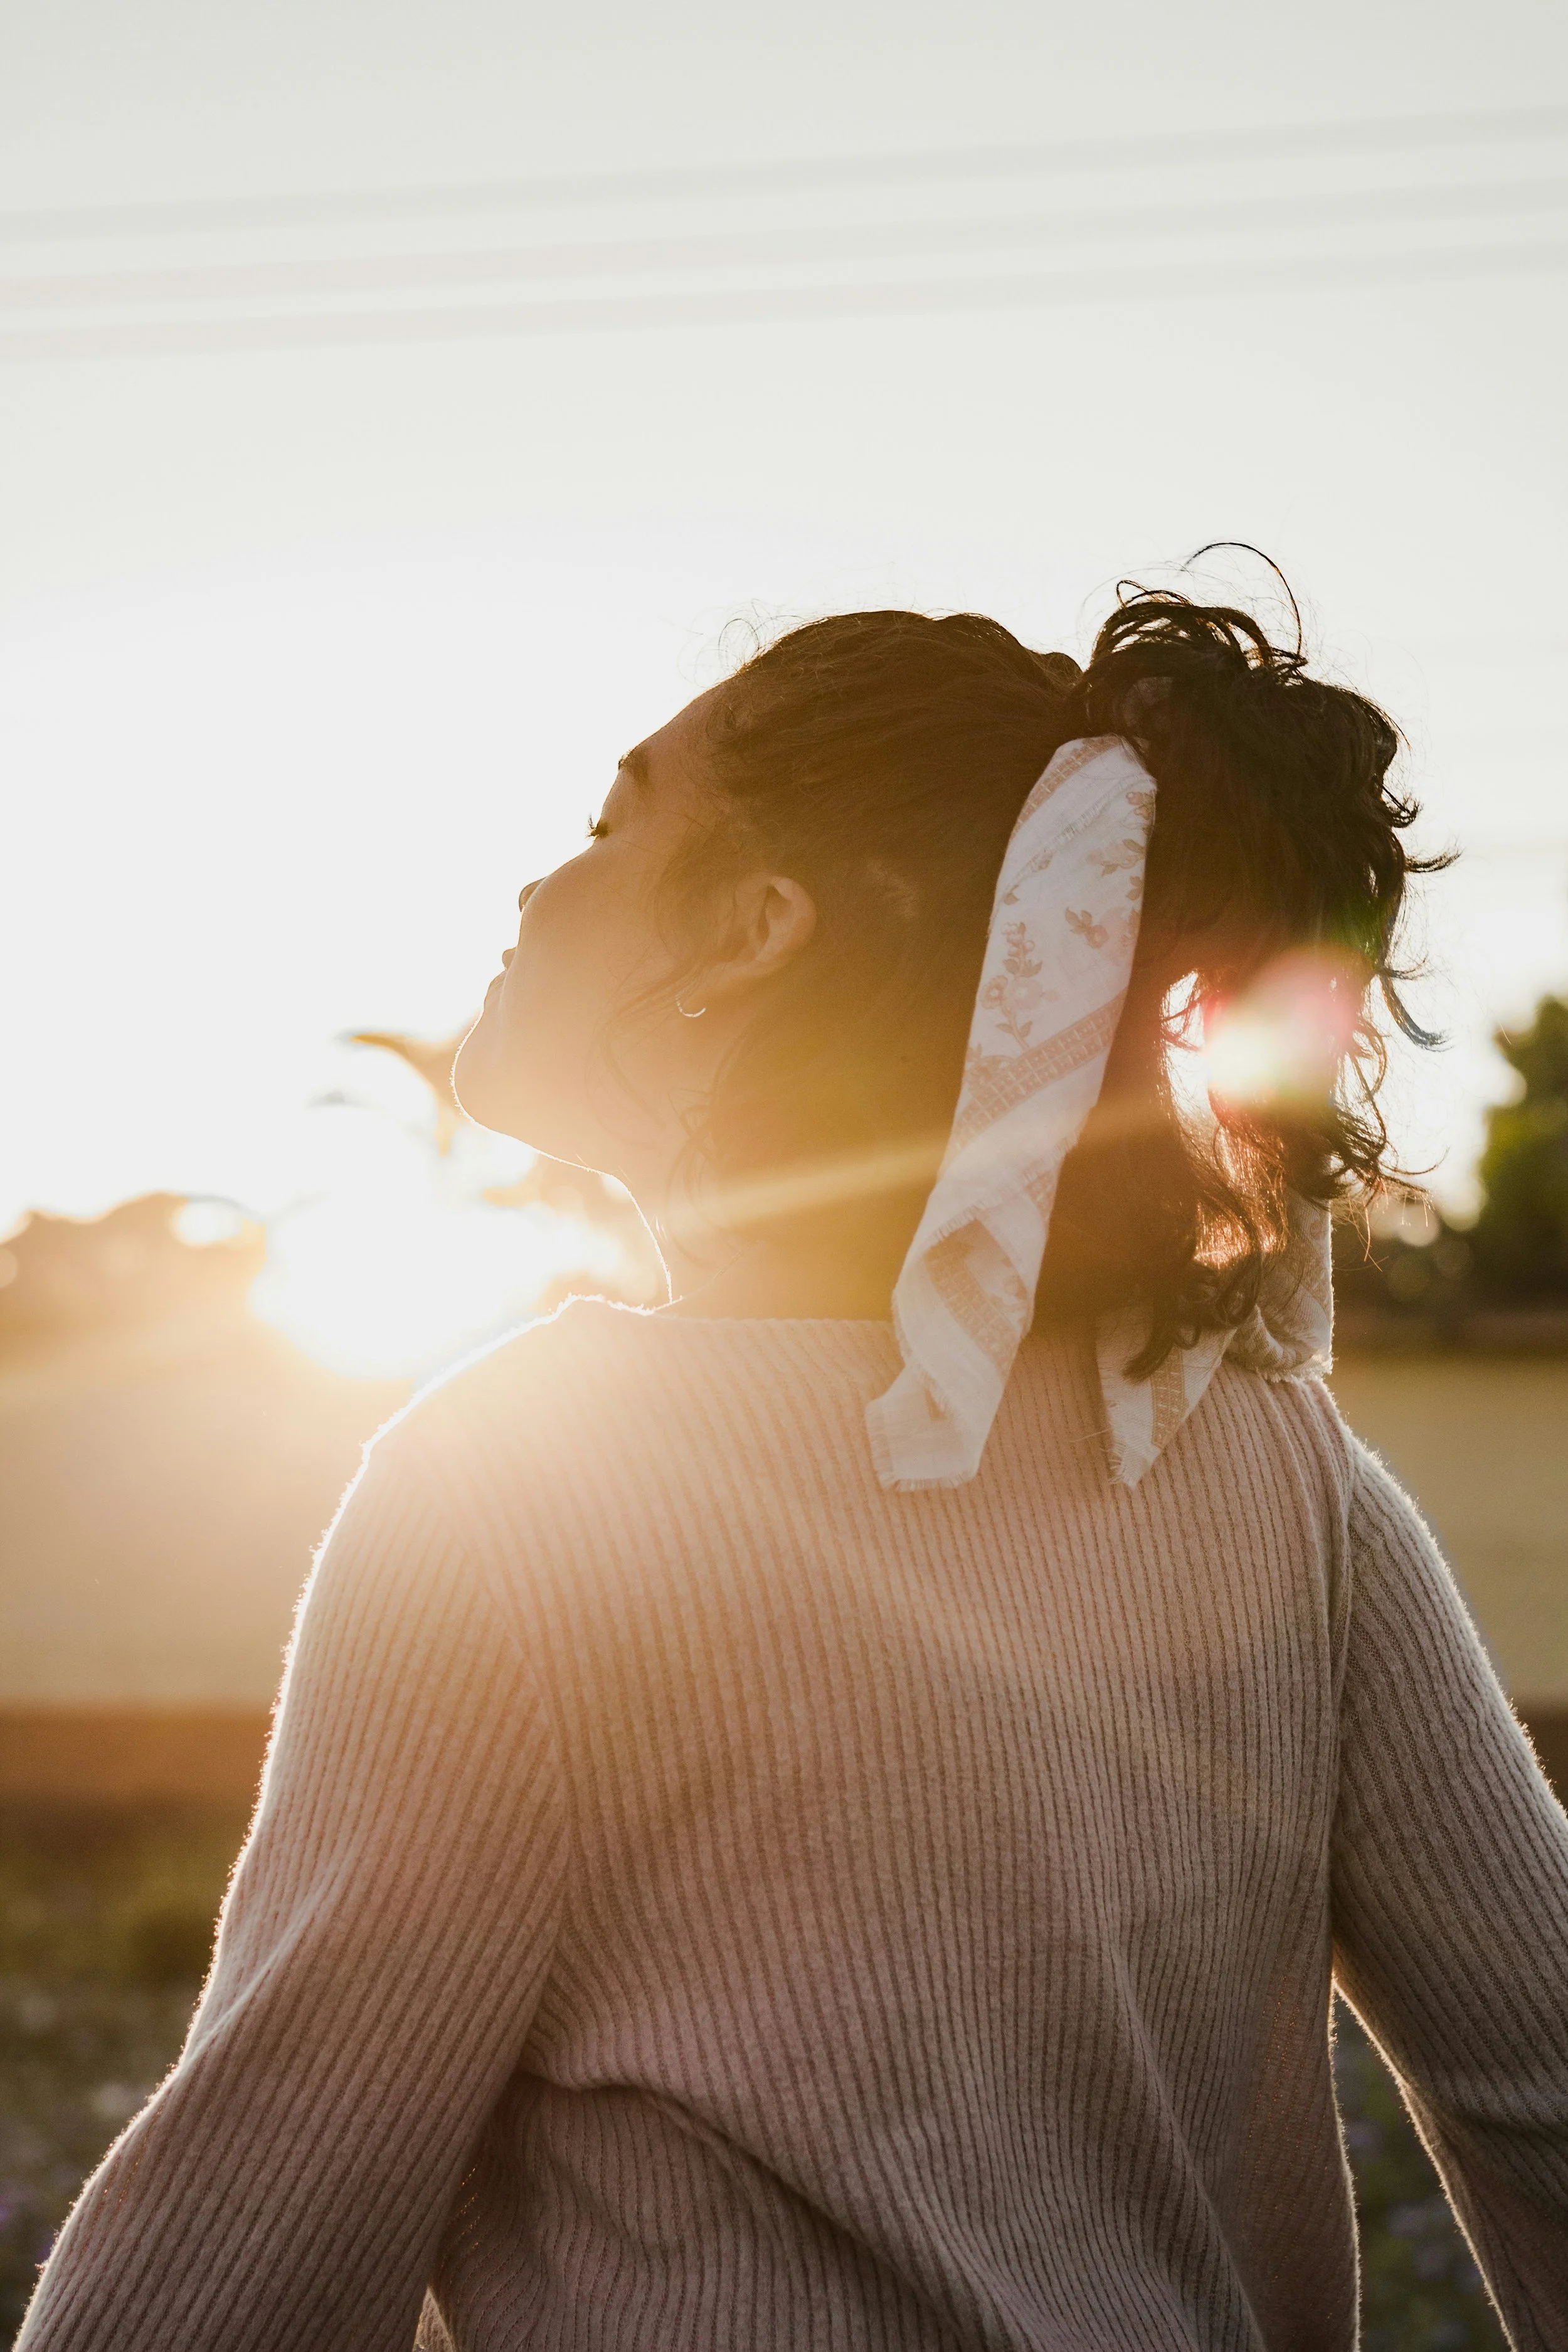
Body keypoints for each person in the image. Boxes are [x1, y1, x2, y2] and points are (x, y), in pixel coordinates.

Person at [19, 589, 1568, 2351]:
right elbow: (1545, 2083)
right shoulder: (1269, 1462)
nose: (540, 887)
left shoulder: (523, 1485)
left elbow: (242, 2253)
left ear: (752, 931)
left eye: (612, 823)